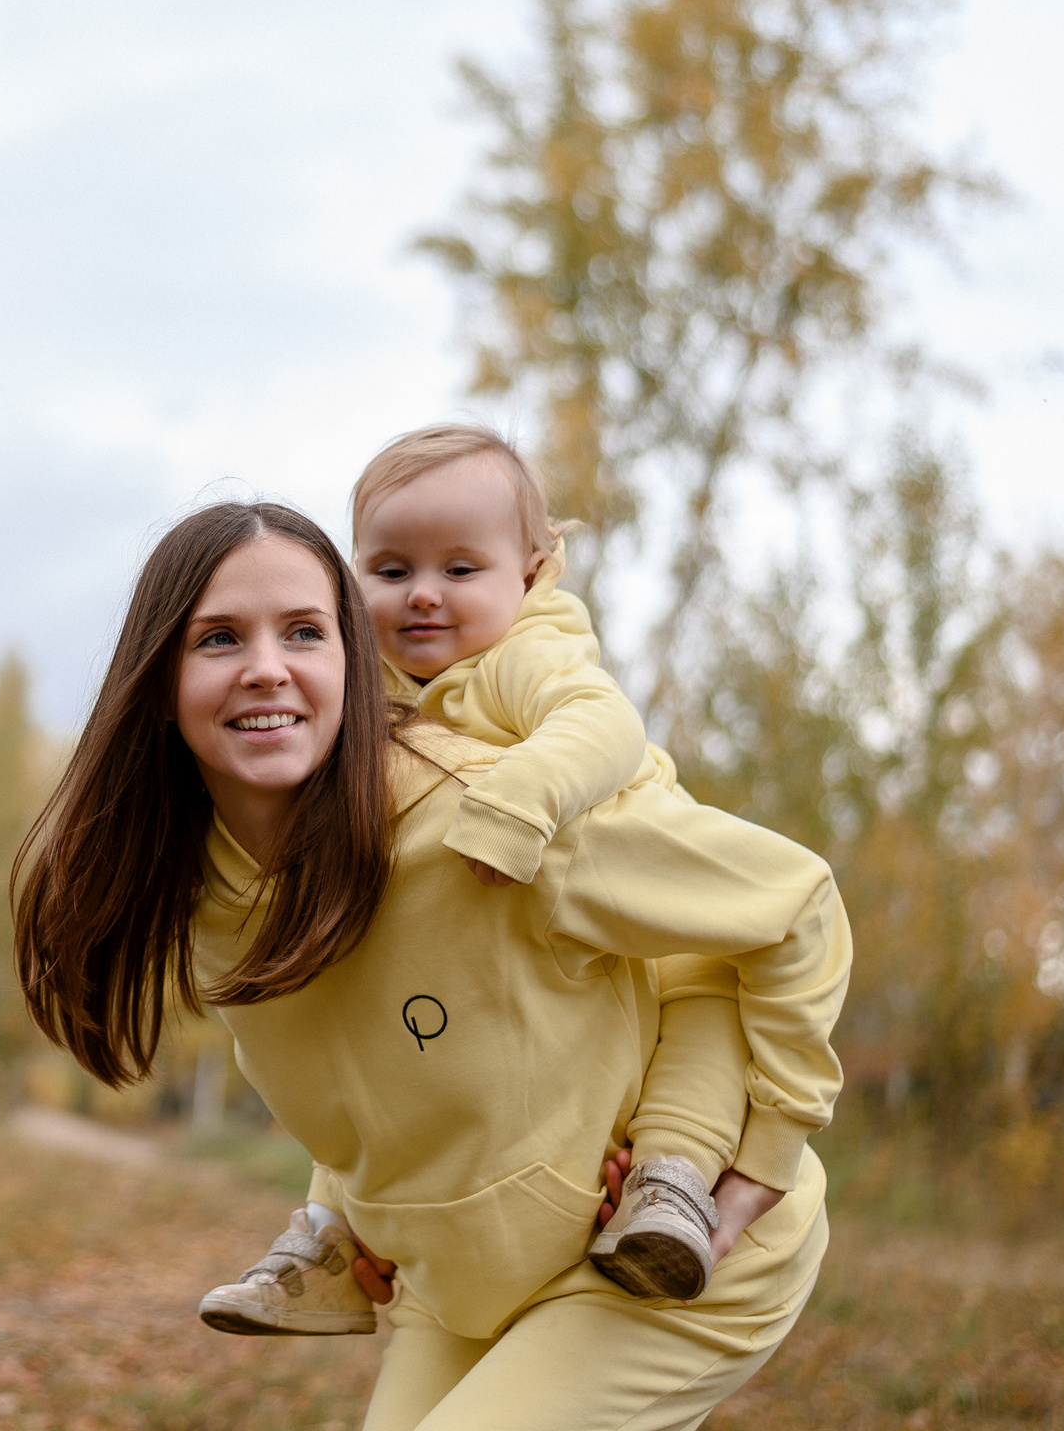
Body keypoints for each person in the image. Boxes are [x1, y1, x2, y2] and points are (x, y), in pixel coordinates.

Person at [12, 501, 847, 1431]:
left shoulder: (487, 819)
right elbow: (373, 1062)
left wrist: (763, 1157)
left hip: (658, 1254)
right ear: (159, 680)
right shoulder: (208, 898)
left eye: (302, 631)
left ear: (350, 665)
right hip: (470, 1286)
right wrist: (367, 1207)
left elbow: (792, 899)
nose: (266, 668)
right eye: (217, 638)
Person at [205, 424, 847, 1308]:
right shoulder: (380, 684)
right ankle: (335, 1232)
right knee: (368, 1023)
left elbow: (603, 726)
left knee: (699, 1033)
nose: (423, 596)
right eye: (391, 572)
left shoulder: (525, 655)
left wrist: (519, 803)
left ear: (534, 572)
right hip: (545, 960)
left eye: (460, 570)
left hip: (662, 924)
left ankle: (672, 1187)